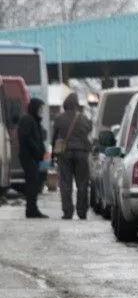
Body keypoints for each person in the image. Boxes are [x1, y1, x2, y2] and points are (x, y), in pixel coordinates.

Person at [52, 92, 92, 220]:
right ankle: (82, 211)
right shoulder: (84, 118)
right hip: (81, 153)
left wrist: (53, 154)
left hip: (65, 154)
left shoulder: (59, 119)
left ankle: (68, 211)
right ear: (76, 105)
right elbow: (89, 131)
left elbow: (54, 138)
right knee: (82, 183)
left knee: (65, 183)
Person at [17, 98, 48, 218]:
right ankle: (31, 209)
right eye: (40, 108)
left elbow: (38, 137)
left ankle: (32, 208)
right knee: (32, 183)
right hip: (28, 156)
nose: (41, 111)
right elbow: (27, 138)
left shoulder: (34, 120)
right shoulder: (27, 119)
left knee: (34, 183)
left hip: (32, 157)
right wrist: (38, 150)